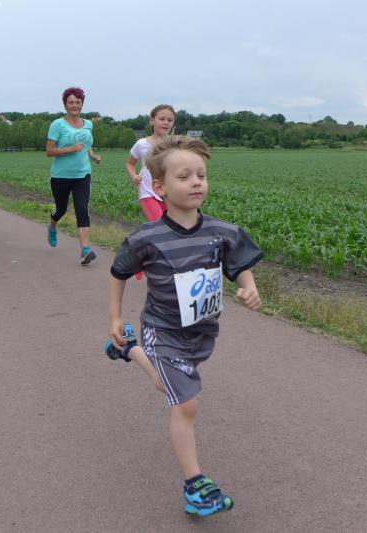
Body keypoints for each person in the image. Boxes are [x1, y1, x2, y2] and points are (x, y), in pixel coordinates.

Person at [106, 135, 263, 518]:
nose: (196, 182)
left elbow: (240, 265)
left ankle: (128, 349)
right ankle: (195, 486)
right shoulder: (146, 238)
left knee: (168, 385)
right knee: (186, 403)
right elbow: (118, 273)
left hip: (201, 333)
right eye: (184, 176)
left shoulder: (222, 232)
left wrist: (249, 287)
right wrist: (115, 317)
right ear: (159, 187)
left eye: (201, 175)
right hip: (161, 330)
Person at [45, 87, 101, 264]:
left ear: (82, 104)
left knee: (82, 209)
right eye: (71, 102)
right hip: (60, 176)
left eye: (78, 102)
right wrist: (70, 149)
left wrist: (92, 155)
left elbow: (86, 144)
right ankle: (52, 226)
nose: (75, 105)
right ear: (65, 105)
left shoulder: (88, 124)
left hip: (82, 174)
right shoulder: (57, 124)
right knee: (61, 209)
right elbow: (49, 151)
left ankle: (85, 250)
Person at [126, 104, 176, 222]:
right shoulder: (141, 144)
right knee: (159, 225)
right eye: (162, 119)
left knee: (171, 226)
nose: (166, 122)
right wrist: (133, 175)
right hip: (147, 192)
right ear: (152, 120)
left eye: (170, 120)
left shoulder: (175, 145)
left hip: (168, 194)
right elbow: (129, 163)